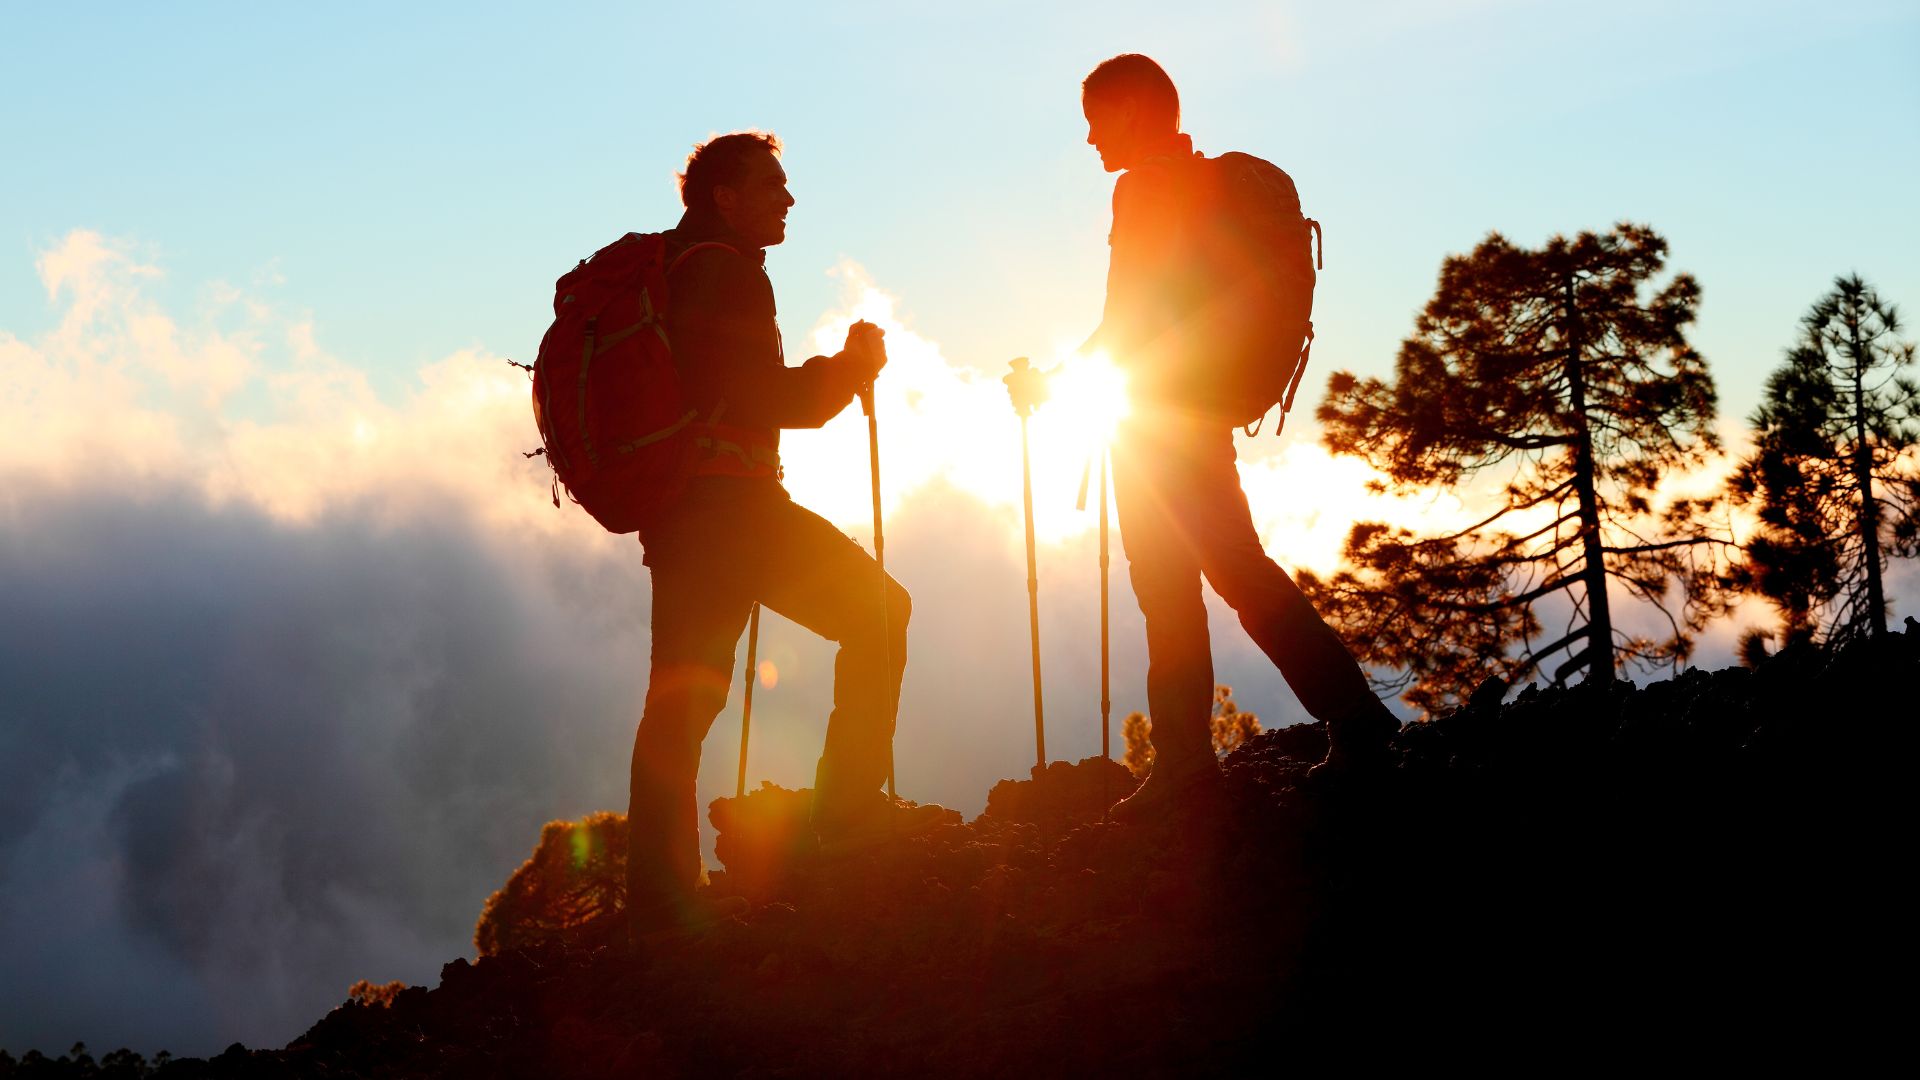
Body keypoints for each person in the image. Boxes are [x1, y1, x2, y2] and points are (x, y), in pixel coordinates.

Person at [1014, 55, 1398, 821]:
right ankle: (1250, 746)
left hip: (1159, 422)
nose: (1089, 140)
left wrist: (1050, 384)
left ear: (1129, 112)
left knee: (1186, 584)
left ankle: (1220, 758)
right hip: (1196, 412)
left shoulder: (1144, 188)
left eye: (1096, 120)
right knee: (1225, 573)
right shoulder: (1200, 185)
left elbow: (1128, 317)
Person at [629, 131, 948, 942]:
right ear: (724, 197)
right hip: (733, 512)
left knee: (682, 699)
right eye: (771, 185)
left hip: (684, 517)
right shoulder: (724, 273)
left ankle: (660, 901)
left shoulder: (678, 268)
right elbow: (770, 400)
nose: (788, 200)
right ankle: (846, 816)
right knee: (880, 611)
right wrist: (848, 368)